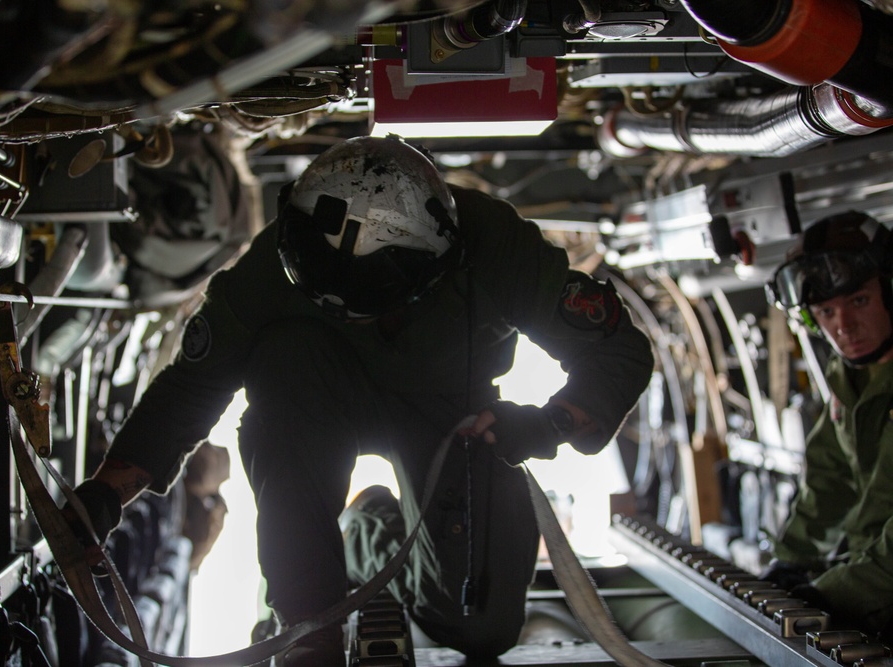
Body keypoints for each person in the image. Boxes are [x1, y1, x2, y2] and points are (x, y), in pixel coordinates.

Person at [68, 135, 654, 665]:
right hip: (315, 397)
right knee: (284, 367)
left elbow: (618, 352)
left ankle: (366, 527)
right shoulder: (277, 263)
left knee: (481, 627)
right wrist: (105, 495)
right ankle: (305, 622)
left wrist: (547, 425)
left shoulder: (493, 244)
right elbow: (192, 384)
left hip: (449, 413)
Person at [763, 210, 893, 636]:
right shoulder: (850, 375)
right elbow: (830, 475)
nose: (844, 328)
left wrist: (834, 593)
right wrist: (793, 560)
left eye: (859, 302)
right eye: (825, 312)